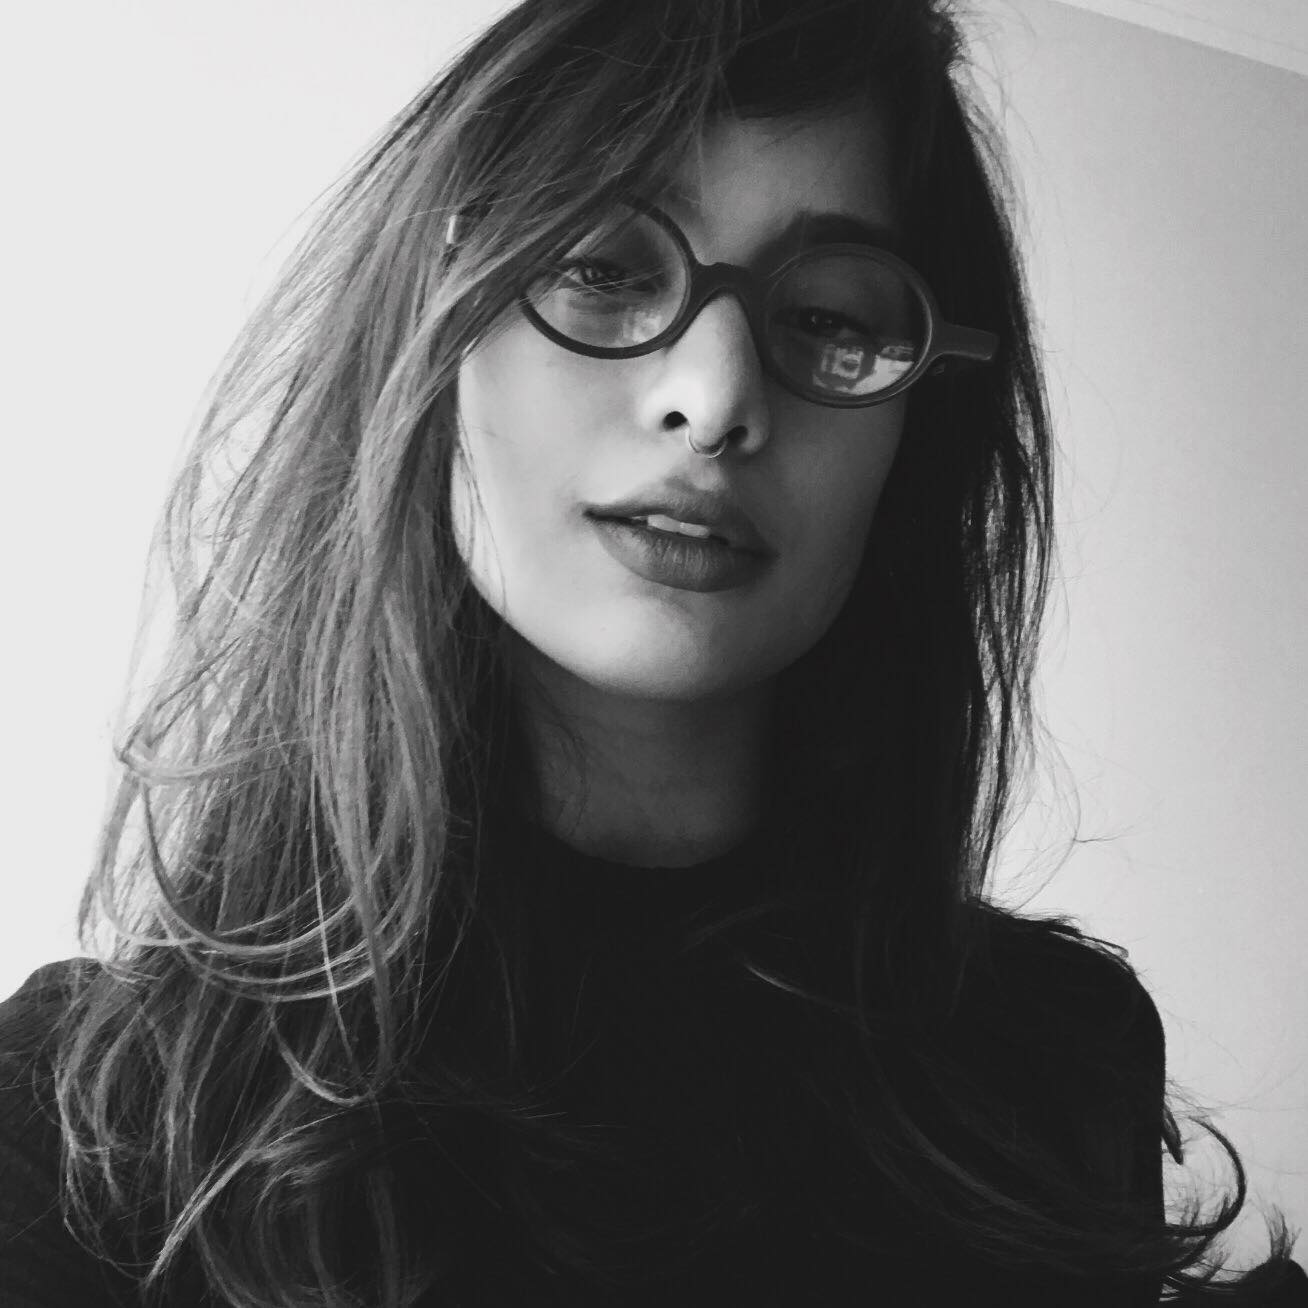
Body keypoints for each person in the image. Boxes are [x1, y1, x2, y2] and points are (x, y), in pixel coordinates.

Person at [1, 1, 1304, 1305]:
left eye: (829, 316)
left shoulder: (1056, 1063)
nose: (717, 396)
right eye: (603, 269)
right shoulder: (80, 1127)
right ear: (429, 327)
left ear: (914, 436)